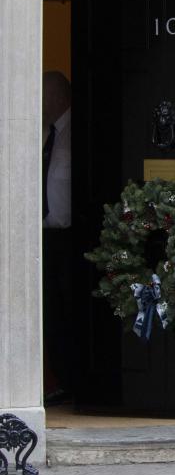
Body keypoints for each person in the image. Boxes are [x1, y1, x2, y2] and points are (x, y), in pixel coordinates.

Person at [41, 70, 74, 405]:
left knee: (67, 312)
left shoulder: (76, 132)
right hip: (48, 237)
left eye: (42, 96)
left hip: (71, 240)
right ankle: (62, 381)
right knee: (52, 312)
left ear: (56, 97)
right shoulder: (50, 134)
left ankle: (74, 379)